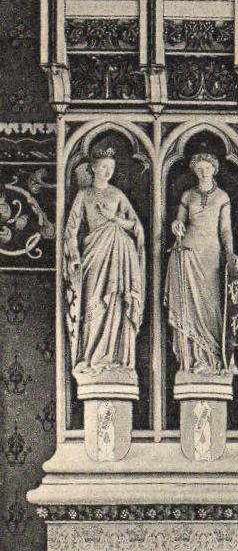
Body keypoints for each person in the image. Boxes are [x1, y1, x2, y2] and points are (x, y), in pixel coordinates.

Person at [63, 144, 146, 377]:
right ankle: (89, 357)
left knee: (116, 303)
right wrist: (75, 257)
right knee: (93, 304)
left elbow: (136, 227)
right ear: (93, 168)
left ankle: (116, 358)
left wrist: (114, 219)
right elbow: (71, 230)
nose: (108, 171)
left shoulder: (117, 195)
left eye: (111, 167)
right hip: (93, 256)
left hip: (119, 255)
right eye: (103, 167)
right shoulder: (84, 194)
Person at [165, 152, 238, 374]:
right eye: (199, 169)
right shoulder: (188, 195)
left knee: (212, 304)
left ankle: (215, 357)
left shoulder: (222, 197)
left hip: (211, 254)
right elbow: (180, 220)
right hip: (188, 252)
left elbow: (225, 230)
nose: (204, 172)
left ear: (214, 169)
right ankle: (195, 358)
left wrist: (230, 254)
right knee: (189, 305)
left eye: (207, 168)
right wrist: (176, 225)